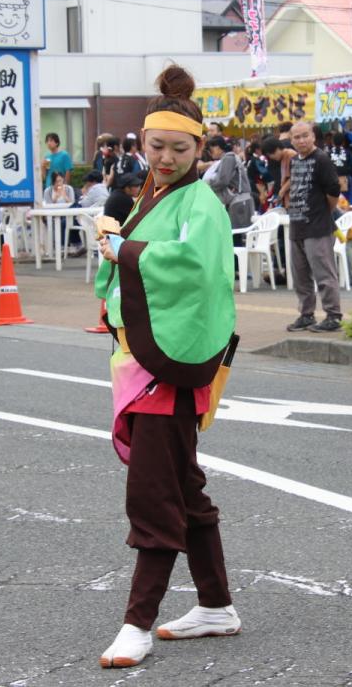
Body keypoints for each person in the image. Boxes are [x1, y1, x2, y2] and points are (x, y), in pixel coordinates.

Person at [93, 65, 240, 669]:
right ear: (142, 143)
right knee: (183, 488)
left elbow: (195, 270)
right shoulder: (148, 196)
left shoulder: (200, 202)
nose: (166, 157)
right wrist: (118, 243)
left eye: (181, 149)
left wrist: (123, 249)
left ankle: (137, 622)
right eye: (157, 146)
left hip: (168, 363)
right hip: (147, 356)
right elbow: (146, 264)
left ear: (200, 149)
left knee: (154, 492)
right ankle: (215, 605)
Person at [285, 121, 342, 333]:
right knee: (300, 276)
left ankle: (333, 316)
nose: (301, 140)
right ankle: (306, 314)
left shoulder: (321, 159)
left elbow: (334, 190)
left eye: (305, 136)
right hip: (297, 225)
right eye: (296, 137)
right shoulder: (294, 161)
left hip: (318, 226)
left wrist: (324, 211)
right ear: (291, 140)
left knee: (324, 274)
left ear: (313, 137)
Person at [205, 138, 254, 231]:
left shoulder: (228, 158)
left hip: (239, 201)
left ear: (218, 148)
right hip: (240, 200)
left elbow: (223, 180)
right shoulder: (229, 157)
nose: (210, 153)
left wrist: (209, 185)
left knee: (237, 234)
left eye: (211, 150)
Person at [327, 132, 352, 202]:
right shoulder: (348, 153)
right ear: (343, 142)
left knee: (335, 200)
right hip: (346, 179)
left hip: (332, 180)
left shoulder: (328, 153)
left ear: (332, 142)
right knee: (349, 200)